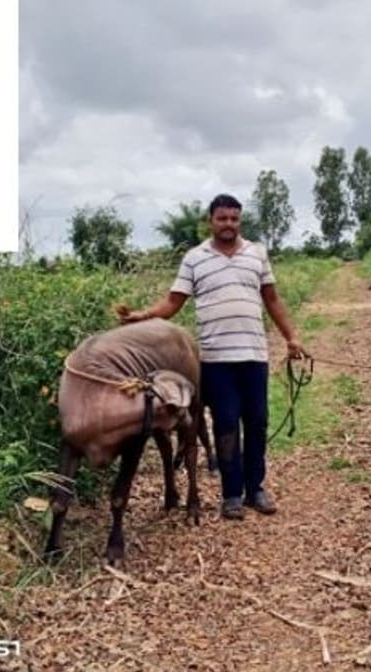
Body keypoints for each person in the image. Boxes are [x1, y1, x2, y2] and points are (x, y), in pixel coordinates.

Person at [118, 193, 305, 520]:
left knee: (257, 423)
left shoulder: (257, 253)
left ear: (239, 221)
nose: (229, 224)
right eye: (222, 218)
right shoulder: (195, 258)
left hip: (254, 355)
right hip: (216, 360)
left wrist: (292, 337)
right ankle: (231, 494)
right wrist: (143, 316)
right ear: (211, 221)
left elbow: (272, 299)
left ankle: (255, 488)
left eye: (234, 218)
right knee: (226, 424)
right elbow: (173, 303)